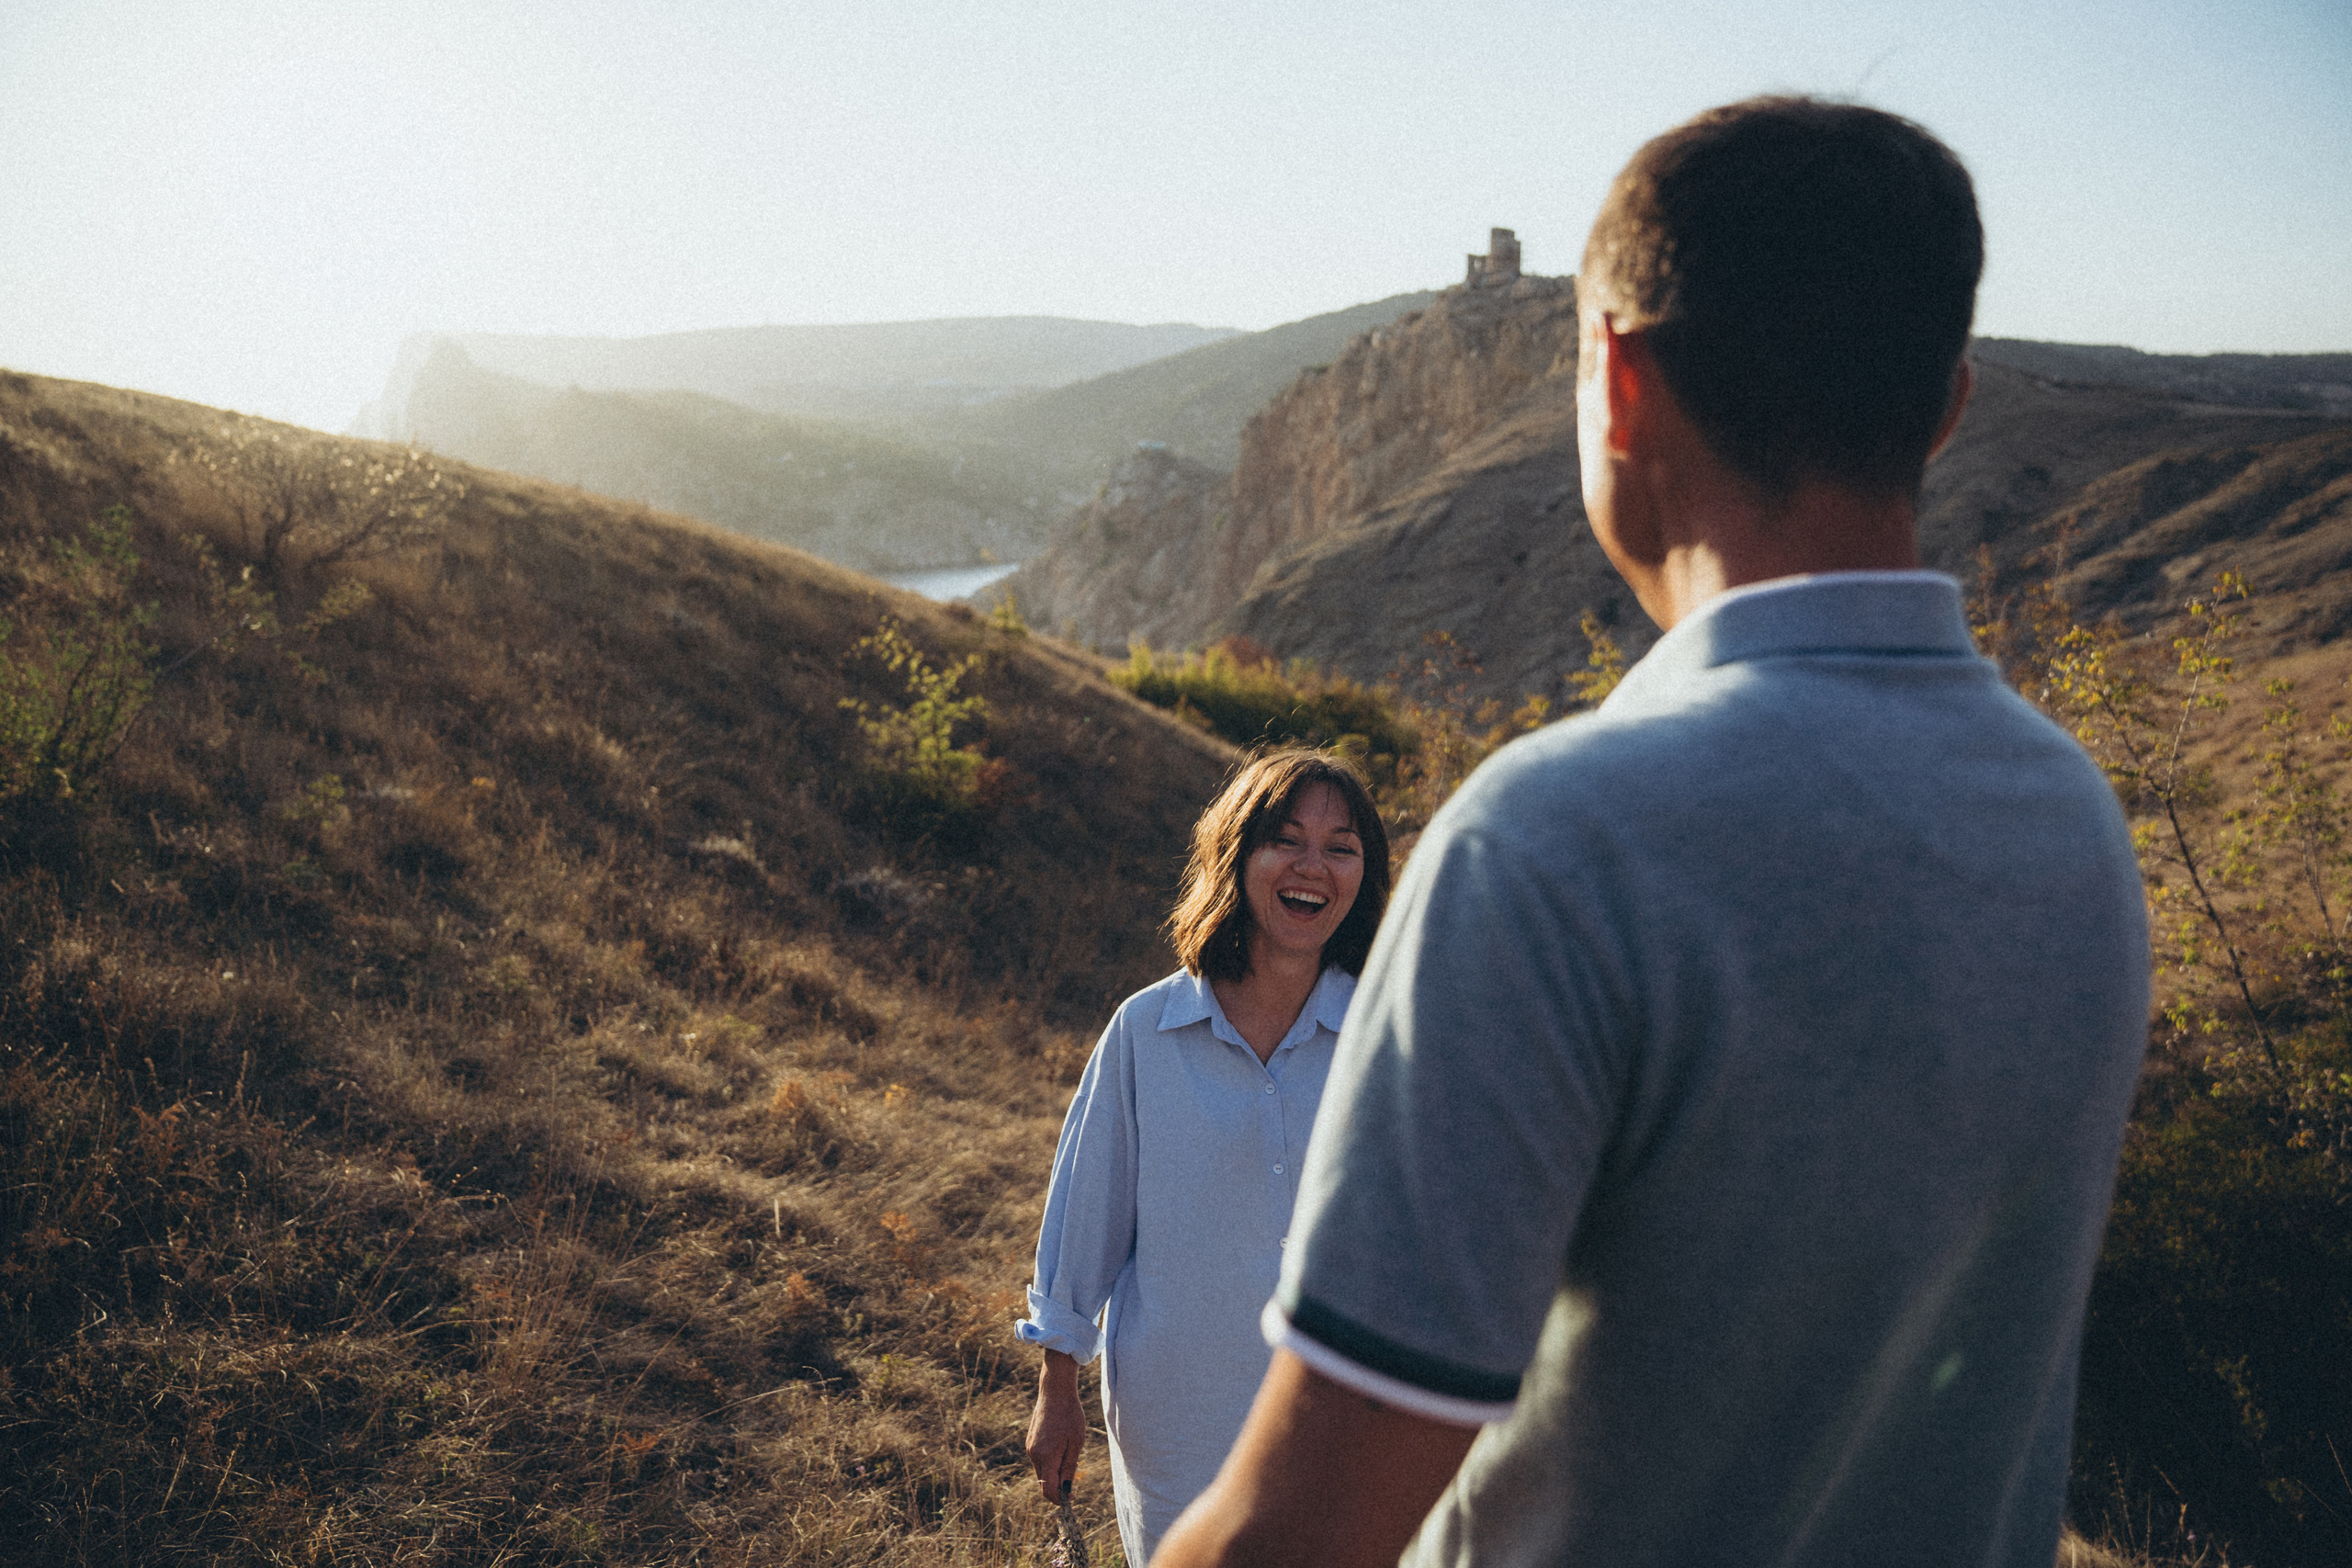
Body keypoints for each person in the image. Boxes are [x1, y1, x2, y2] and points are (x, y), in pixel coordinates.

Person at [1158, 97, 2151, 1568]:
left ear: (1617, 381)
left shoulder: (1555, 842)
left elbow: (1302, 1526)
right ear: (1947, 403)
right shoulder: (2075, 821)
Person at [1015, 747, 1392, 1565]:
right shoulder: (1144, 1034)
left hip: (1341, 1425)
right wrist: (1057, 1386)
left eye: (1341, 846)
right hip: (1177, 1423)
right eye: (1285, 838)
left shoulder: (1387, 1035)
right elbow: (1087, 1213)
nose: (1312, 866)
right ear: (1237, 852)